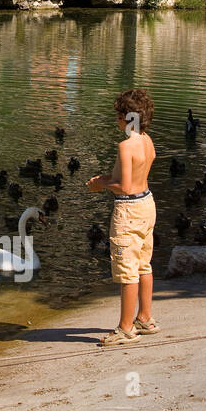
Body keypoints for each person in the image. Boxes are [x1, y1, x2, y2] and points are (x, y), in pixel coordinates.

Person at [87, 88, 159, 347]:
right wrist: (109, 180)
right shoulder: (147, 141)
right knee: (143, 264)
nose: (116, 121)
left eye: (118, 116)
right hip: (147, 204)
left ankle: (125, 328)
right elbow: (136, 180)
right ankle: (145, 318)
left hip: (128, 210)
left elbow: (125, 186)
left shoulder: (126, 146)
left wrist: (101, 184)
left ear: (127, 118)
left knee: (127, 270)